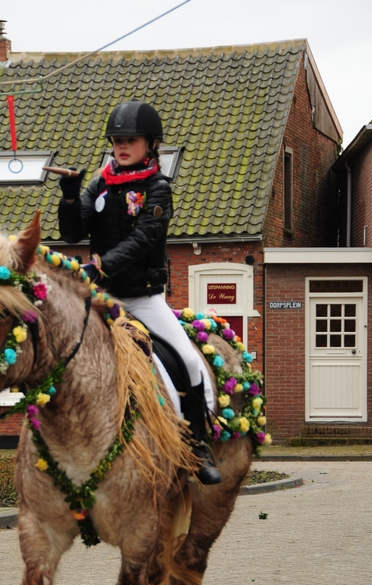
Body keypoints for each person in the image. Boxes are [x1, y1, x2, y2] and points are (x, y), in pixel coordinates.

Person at [58, 100, 221, 485]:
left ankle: (198, 444)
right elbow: (71, 234)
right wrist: (69, 195)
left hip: (143, 299)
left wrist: (101, 265)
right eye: (116, 140)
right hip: (103, 300)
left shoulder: (157, 188)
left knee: (190, 361)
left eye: (130, 140)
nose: (121, 146)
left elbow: (146, 238)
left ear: (150, 143)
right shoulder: (99, 184)